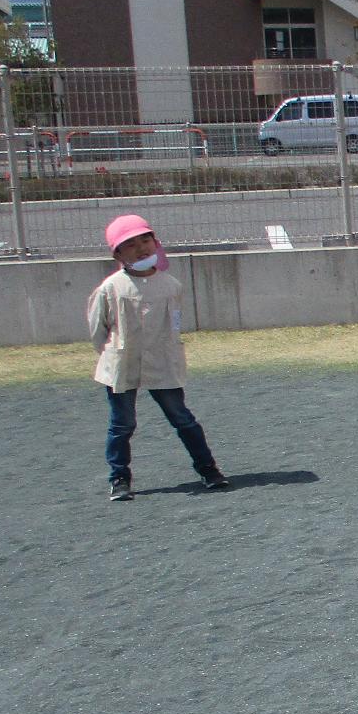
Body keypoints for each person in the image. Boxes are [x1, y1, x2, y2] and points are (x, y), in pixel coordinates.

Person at [86, 214, 227, 502]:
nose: (141, 248)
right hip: (122, 363)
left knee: (182, 418)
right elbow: (97, 330)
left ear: (156, 243)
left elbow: (174, 324)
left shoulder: (170, 285)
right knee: (122, 424)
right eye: (131, 244)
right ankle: (120, 478)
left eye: (145, 240)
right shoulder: (111, 288)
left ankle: (208, 469)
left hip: (162, 361)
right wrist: (112, 353)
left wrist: (170, 351)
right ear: (118, 253)